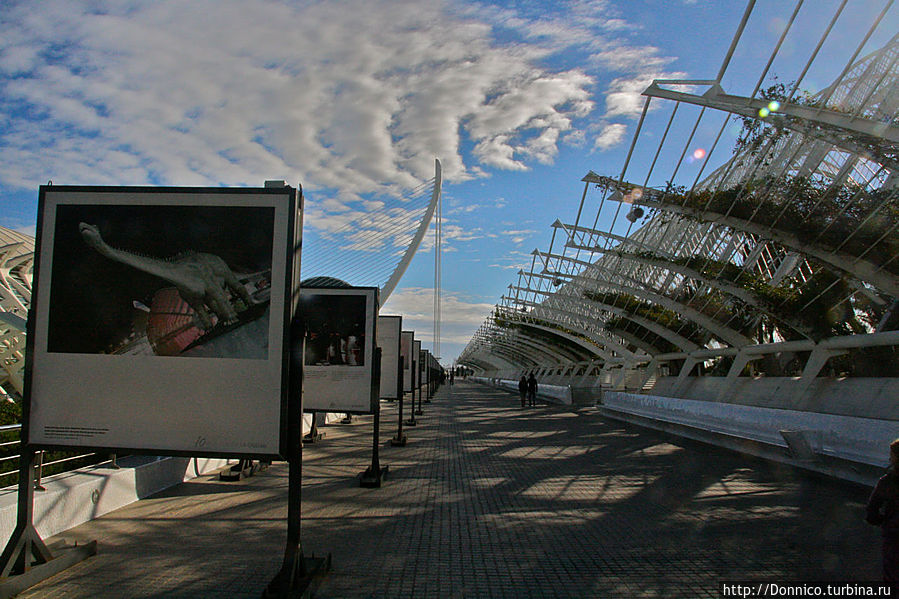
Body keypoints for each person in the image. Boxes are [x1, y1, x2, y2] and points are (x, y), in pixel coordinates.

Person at [866, 438, 899, 587]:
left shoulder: (887, 481)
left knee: (892, 573)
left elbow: (872, 509)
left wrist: (880, 521)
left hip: (893, 534)